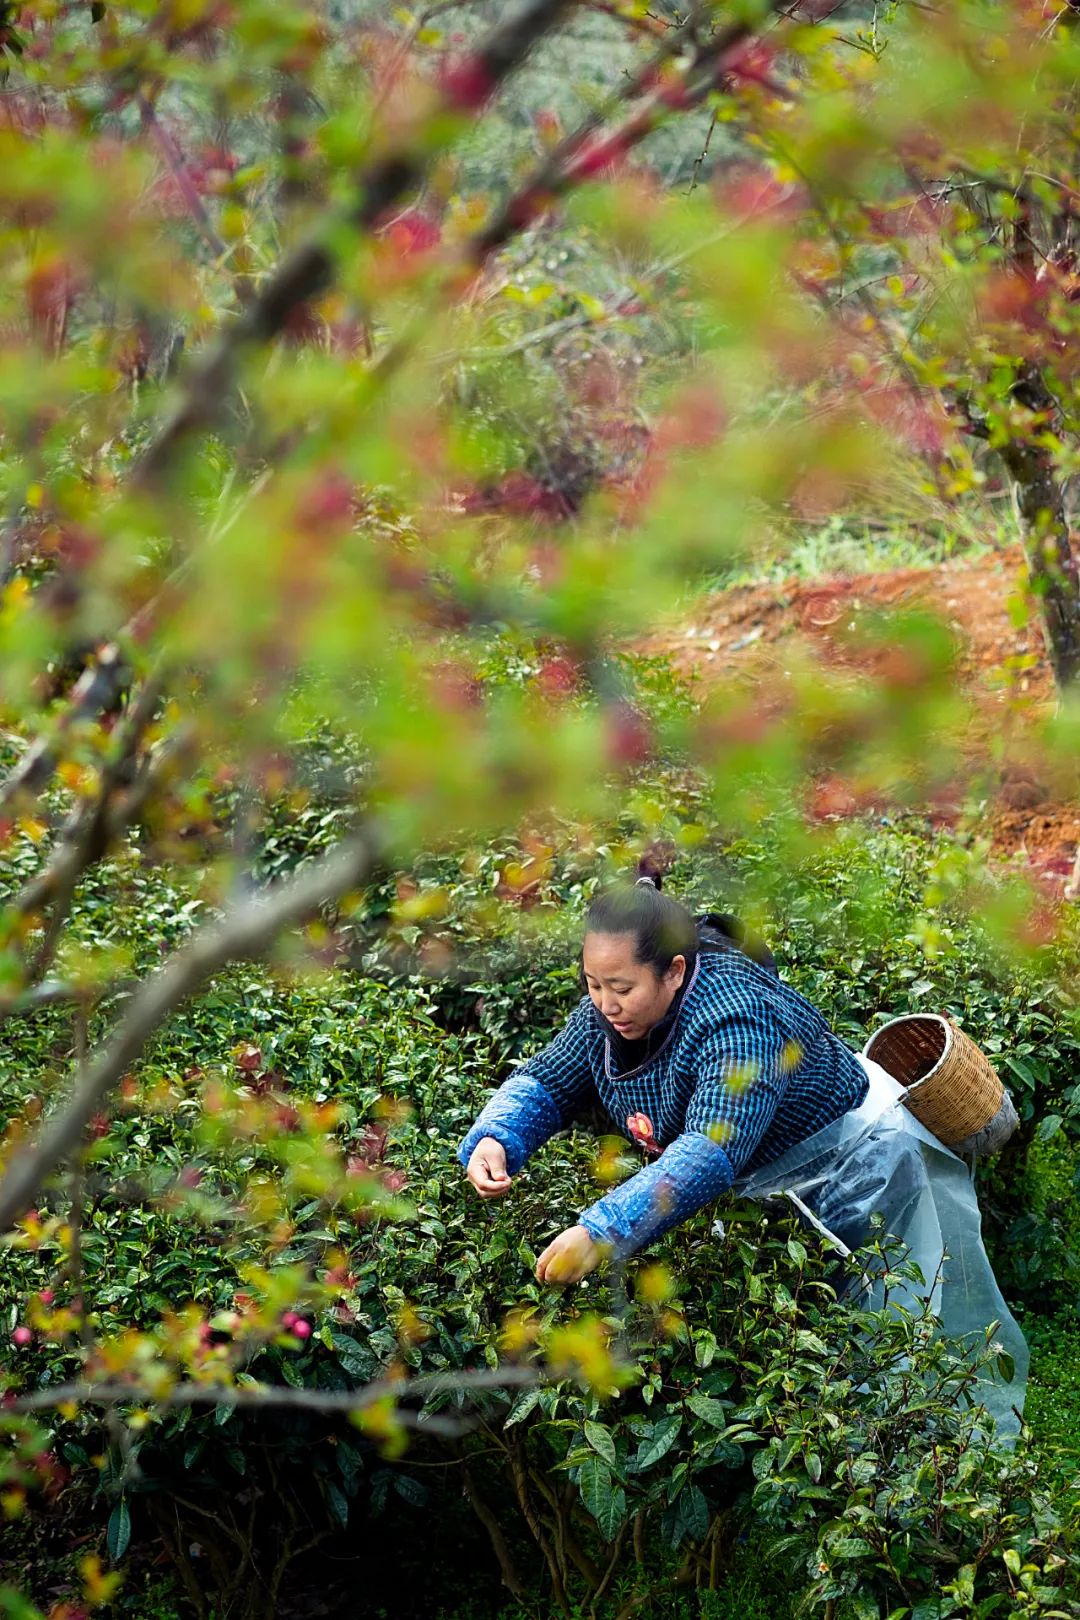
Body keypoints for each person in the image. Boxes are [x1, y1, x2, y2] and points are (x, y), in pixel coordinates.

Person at [457, 860, 1028, 1435]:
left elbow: (710, 1148)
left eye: (622, 987)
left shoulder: (738, 1020)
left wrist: (602, 1231)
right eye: (593, 983)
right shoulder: (609, 1012)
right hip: (775, 1181)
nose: (605, 1003)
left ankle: (958, 1470)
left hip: (863, 1166)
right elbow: (547, 1080)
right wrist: (496, 1138)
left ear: (675, 972)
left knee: (901, 1331)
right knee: (810, 1345)